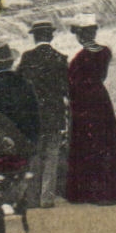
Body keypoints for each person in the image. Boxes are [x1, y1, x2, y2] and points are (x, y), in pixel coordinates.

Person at [62, 15, 116, 203]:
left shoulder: (79, 58)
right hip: (100, 96)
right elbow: (102, 75)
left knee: (87, 143)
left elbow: (71, 83)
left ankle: (94, 191)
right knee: (108, 139)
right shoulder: (105, 51)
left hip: (83, 101)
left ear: (81, 36)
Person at [16, 19, 70, 207]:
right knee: (52, 156)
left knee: (35, 155)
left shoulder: (27, 58)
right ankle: (47, 198)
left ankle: (31, 198)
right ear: (51, 36)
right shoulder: (60, 58)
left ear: (35, 37)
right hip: (54, 114)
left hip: (33, 116)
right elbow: (66, 90)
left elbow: (19, 87)